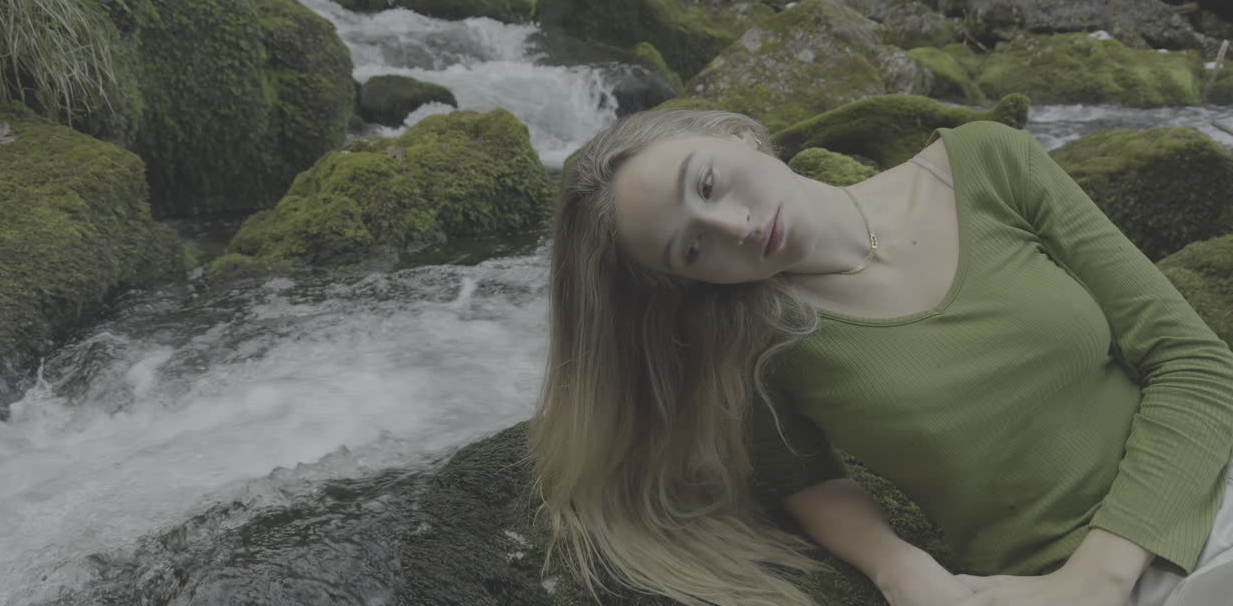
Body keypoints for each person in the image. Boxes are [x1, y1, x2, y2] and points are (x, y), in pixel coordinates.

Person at [528, 109, 1233, 606]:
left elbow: (1195, 362)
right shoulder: (759, 345)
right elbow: (805, 482)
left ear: (736, 133)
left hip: (1206, 496)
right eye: (692, 248)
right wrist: (898, 566)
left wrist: (1097, 578)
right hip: (1033, 586)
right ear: (692, 282)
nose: (733, 228)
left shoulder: (986, 164)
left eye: (706, 184)